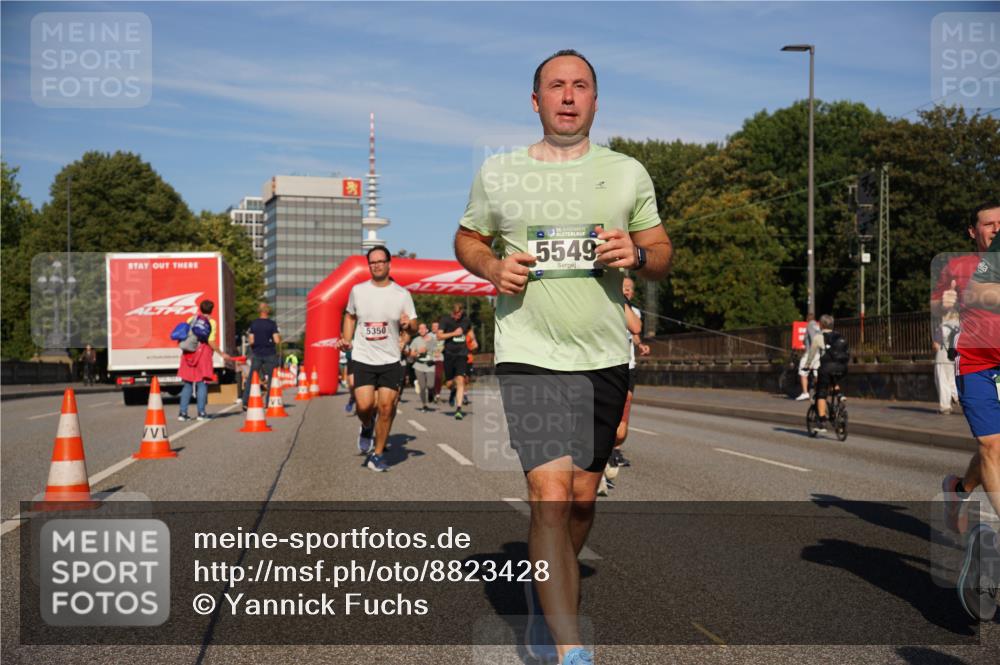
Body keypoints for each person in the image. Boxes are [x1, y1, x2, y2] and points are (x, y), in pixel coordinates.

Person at [453, 49, 672, 665]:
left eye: (580, 86)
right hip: (528, 351)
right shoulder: (499, 173)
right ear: (536, 100)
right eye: (556, 86)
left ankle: (549, 580)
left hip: (602, 352)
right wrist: (493, 265)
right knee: (548, 493)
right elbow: (467, 236)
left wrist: (636, 254)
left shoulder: (627, 172)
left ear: (596, 101)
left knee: (580, 499)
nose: (568, 96)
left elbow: (660, 250)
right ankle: (569, 647)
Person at [939, 203, 1000, 622]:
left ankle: (959, 489)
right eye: (989, 223)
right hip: (977, 365)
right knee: (993, 445)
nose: (997, 229)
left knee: (991, 450)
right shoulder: (961, 268)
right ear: (972, 231)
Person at [337, 246, 418, 472]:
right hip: (364, 357)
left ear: (389, 263)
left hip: (390, 359)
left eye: (381, 261)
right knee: (364, 406)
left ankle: (378, 454)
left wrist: (407, 325)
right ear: (369, 265)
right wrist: (346, 338)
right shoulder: (358, 291)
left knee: (385, 408)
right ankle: (366, 425)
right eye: (372, 262)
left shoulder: (402, 294)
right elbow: (350, 315)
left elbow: (414, 326)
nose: (377, 265)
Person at [600, 277, 648, 496]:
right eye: (623, 288)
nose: (626, 291)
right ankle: (601, 461)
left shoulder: (632, 310)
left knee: (621, 425)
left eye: (629, 289)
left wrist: (641, 345)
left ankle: (610, 449)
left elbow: (635, 329)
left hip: (625, 366)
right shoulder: (598, 301)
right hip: (598, 365)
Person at [178, 299, 230, 421]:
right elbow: (210, 341)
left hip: (189, 353)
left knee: (188, 383)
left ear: (200, 308)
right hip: (203, 354)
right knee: (202, 383)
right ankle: (201, 413)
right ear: (212, 310)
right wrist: (221, 353)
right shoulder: (211, 322)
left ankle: (182, 413)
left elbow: (184, 335)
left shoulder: (191, 319)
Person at [437, 302, 476, 420]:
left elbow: (469, 330)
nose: (457, 316)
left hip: (462, 354)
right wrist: (454, 333)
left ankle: (458, 409)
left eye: (459, 314)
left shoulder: (466, 320)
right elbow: (439, 336)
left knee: (460, 379)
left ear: (462, 312)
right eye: (455, 314)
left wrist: (473, 339)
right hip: (449, 354)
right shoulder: (445, 320)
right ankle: (452, 390)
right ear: (452, 312)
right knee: (449, 383)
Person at [811, 314, 849, 432]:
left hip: (827, 368)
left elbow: (811, 355)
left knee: (821, 394)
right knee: (833, 380)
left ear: (821, 324)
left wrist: (807, 366)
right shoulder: (840, 336)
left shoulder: (819, 337)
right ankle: (840, 395)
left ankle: (822, 422)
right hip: (842, 368)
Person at [243, 303, 281, 409]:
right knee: (272, 379)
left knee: (252, 378)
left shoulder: (254, 324)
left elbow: (251, 341)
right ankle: (269, 402)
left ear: (259, 311)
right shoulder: (272, 324)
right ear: (268, 312)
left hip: (257, 354)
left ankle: (245, 402)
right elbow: (277, 340)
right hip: (270, 354)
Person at [408, 322, 437, 412]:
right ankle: (424, 404)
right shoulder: (416, 340)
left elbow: (437, 351)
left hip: (430, 365)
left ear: (427, 330)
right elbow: (410, 354)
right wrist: (418, 353)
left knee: (430, 385)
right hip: (419, 365)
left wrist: (431, 352)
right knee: (422, 386)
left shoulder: (433, 339)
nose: (421, 330)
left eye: (423, 328)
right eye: (420, 329)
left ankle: (431, 393)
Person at [795, 313, 822, 400]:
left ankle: (805, 392)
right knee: (816, 373)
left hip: (811, 353)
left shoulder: (810, 325)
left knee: (803, 371)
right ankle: (820, 392)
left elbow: (813, 338)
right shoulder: (818, 326)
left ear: (807, 319)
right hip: (818, 353)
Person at [431, 321, 444, 402]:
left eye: (436, 326)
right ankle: (431, 392)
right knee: (430, 377)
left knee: (438, 377)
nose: (435, 328)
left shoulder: (441, 335)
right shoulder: (428, 335)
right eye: (433, 326)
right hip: (429, 359)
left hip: (439, 359)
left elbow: (442, 346)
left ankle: (437, 394)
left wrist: (438, 351)